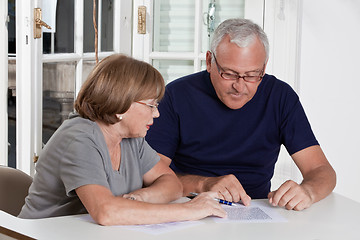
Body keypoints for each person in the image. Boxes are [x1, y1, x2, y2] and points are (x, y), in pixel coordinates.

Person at [146, 18, 336, 211]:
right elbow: (149, 173)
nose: (239, 86)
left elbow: (321, 170)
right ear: (210, 62)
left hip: (256, 209)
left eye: (252, 75)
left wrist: (308, 191)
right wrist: (203, 184)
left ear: (264, 66)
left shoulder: (280, 97)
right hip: (189, 205)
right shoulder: (176, 95)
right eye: (229, 74)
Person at [18, 54, 226, 225]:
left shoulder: (130, 138)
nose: (156, 114)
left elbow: (172, 184)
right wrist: (188, 210)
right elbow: (106, 212)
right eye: (151, 105)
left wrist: (139, 198)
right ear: (121, 106)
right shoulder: (79, 139)